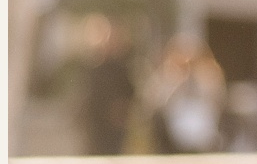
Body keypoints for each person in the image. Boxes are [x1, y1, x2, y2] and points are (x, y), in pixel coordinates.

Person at [145, 33, 226, 154]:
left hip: (201, 122)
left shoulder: (208, 74)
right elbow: (154, 100)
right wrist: (176, 82)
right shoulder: (168, 74)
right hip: (173, 126)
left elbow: (216, 98)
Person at [76, 16, 137, 156]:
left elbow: (129, 91)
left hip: (114, 124)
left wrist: (122, 108)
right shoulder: (93, 67)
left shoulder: (122, 66)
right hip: (97, 121)